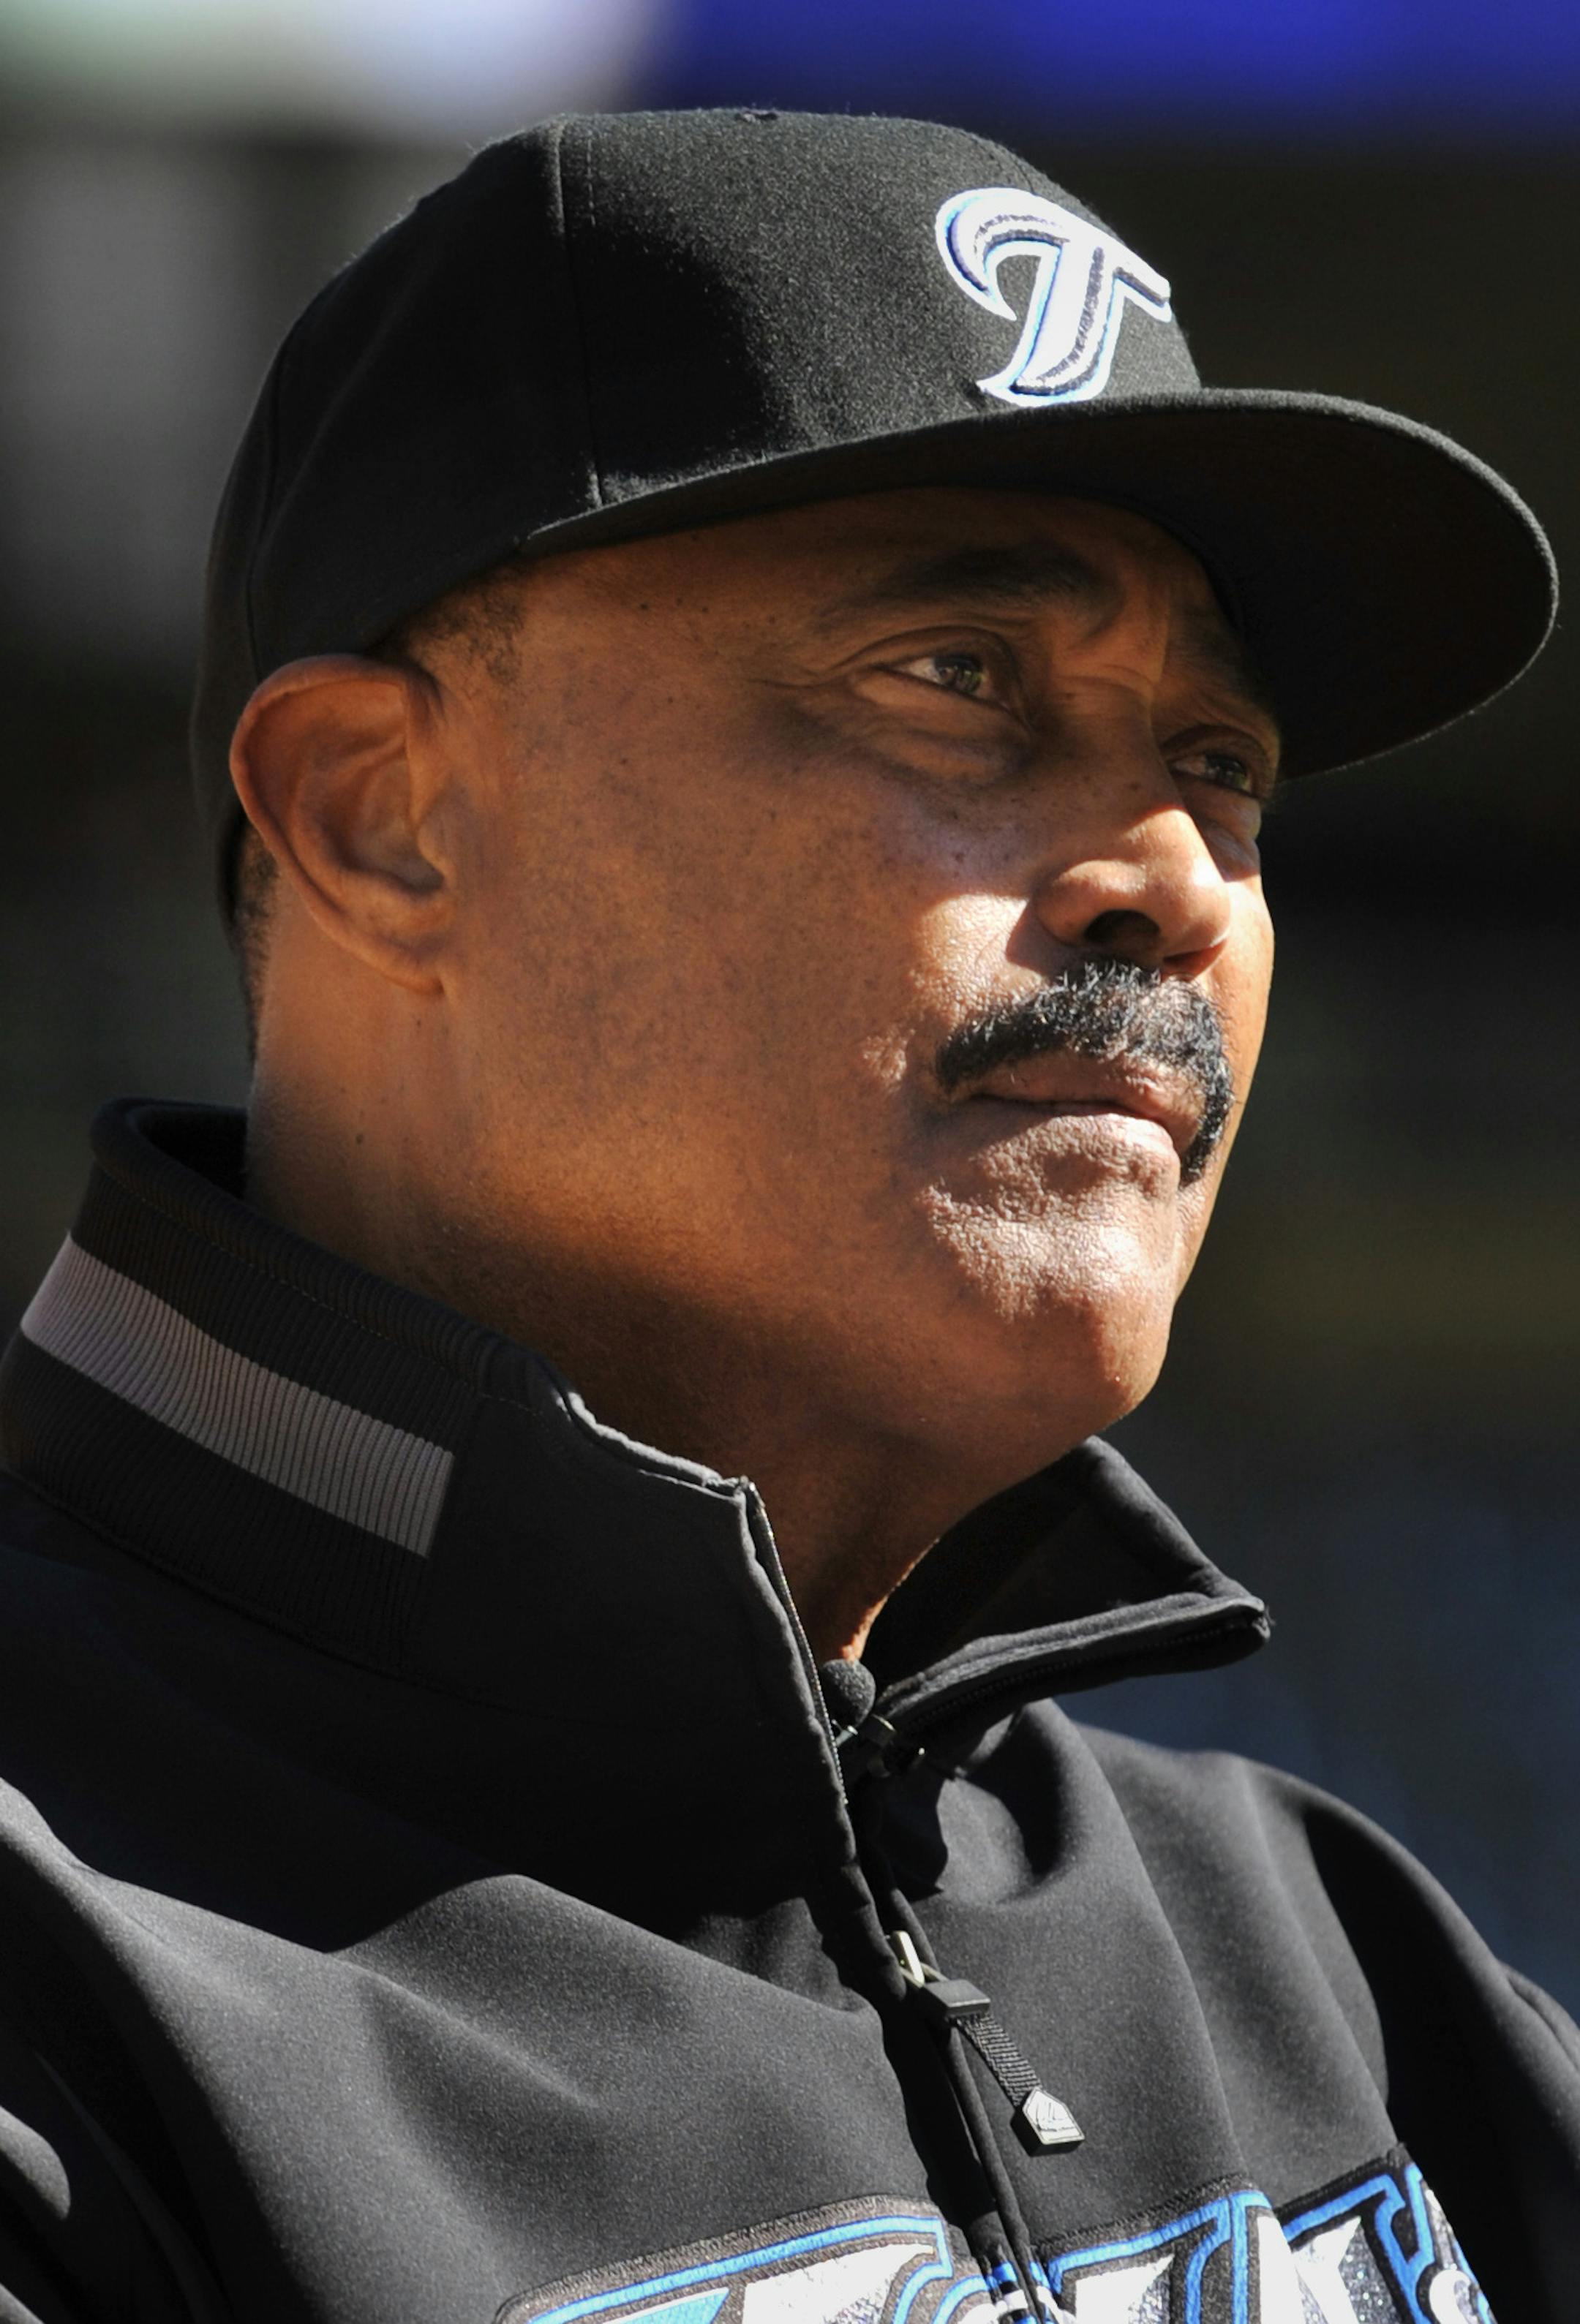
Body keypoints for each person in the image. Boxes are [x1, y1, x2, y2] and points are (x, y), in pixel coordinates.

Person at [0, 107, 1573, 2324]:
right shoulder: (69, 1957)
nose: (1179, 877)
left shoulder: (1340, 1960)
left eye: (1221, 757)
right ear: (383, 820)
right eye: (959, 678)